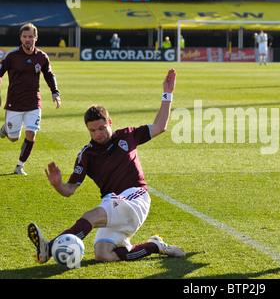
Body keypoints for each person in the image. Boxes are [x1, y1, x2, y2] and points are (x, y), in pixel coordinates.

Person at [27, 69, 186, 264]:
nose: (98, 134)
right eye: (92, 130)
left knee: (91, 216)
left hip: (136, 198)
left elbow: (160, 126)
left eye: (102, 128)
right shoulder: (86, 155)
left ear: (109, 122)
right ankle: (155, 246)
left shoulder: (127, 135)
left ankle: (49, 248)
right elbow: (69, 190)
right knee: (103, 254)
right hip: (114, 205)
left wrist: (167, 93)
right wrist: (58, 185)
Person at [0, 23, 61, 176]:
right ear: (21, 38)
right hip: (14, 103)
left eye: (30, 37)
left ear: (36, 38)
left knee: (31, 134)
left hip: (34, 102)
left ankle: (19, 166)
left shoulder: (42, 57)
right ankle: (6, 129)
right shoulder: (11, 56)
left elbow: (49, 74)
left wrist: (55, 92)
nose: (28, 39)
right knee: (14, 138)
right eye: (25, 37)